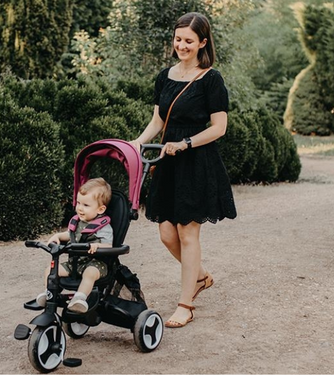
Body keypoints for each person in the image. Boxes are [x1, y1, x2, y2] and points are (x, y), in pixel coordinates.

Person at [130, 12, 237, 328]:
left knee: (188, 233)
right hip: (167, 162)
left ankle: (185, 304)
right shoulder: (165, 76)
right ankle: (201, 277)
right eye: (178, 39)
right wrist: (138, 141)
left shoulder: (211, 79)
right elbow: (159, 119)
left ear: (203, 42)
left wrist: (187, 143)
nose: (182, 45)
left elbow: (219, 127)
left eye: (189, 40)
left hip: (195, 162)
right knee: (166, 234)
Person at [36, 177, 113, 313]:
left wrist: (97, 246)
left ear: (100, 209)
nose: (80, 208)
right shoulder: (77, 222)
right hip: (75, 264)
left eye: (86, 205)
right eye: (78, 203)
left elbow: (109, 246)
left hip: (95, 264)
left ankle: (79, 299)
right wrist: (58, 236)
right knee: (51, 269)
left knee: (89, 273)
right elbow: (70, 235)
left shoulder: (103, 227)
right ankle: (48, 293)